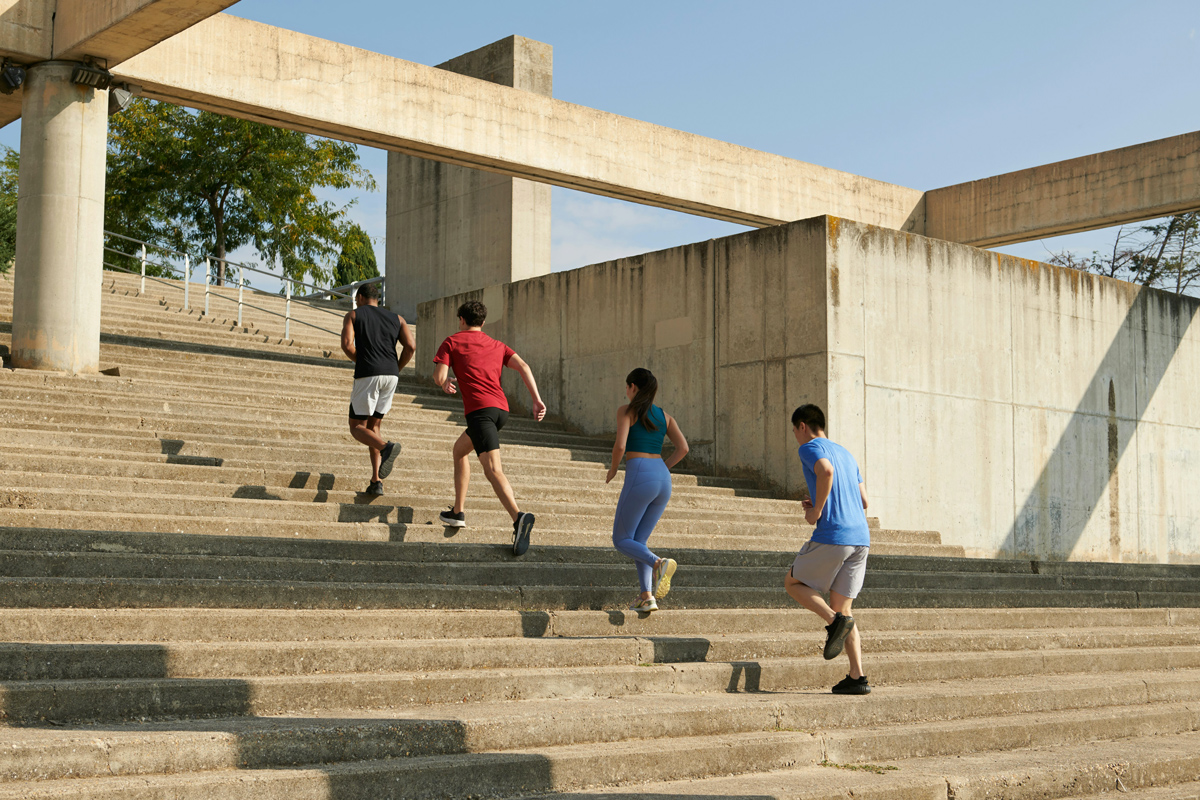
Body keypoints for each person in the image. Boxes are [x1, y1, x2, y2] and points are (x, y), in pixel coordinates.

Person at [432, 300, 547, 555]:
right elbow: (524, 367)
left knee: (492, 469)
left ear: (461, 319)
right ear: (483, 323)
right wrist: (537, 399)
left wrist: (444, 382)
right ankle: (458, 511)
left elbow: (439, 377)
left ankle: (519, 518)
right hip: (500, 410)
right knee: (459, 451)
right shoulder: (497, 345)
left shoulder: (452, 342)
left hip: (480, 413)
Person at [783, 403, 872, 695]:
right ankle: (858, 677)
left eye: (795, 430)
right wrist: (822, 500)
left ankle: (833, 623)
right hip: (861, 538)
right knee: (844, 608)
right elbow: (863, 501)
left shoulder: (809, 447)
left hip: (834, 533)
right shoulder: (846, 452)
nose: (796, 436)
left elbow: (825, 471)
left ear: (802, 426)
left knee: (793, 582)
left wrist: (816, 510)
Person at [606, 368, 689, 613]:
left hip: (640, 472)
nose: (626, 391)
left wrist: (612, 469)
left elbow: (620, 446)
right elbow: (683, 448)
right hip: (663, 478)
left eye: (627, 387)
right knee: (638, 541)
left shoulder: (626, 411)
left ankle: (658, 563)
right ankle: (646, 597)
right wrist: (662, 467)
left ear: (632, 387)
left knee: (621, 539)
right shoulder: (665, 416)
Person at [340, 282, 415, 496]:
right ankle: (376, 480)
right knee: (374, 428)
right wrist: (396, 368)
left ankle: (386, 448)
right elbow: (411, 346)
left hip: (368, 374)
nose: (356, 303)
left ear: (361, 297)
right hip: (391, 375)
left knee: (357, 427)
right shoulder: (397, 318)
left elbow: (347, 344)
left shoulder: (353, 315)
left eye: (356, 300)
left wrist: (362, 361)